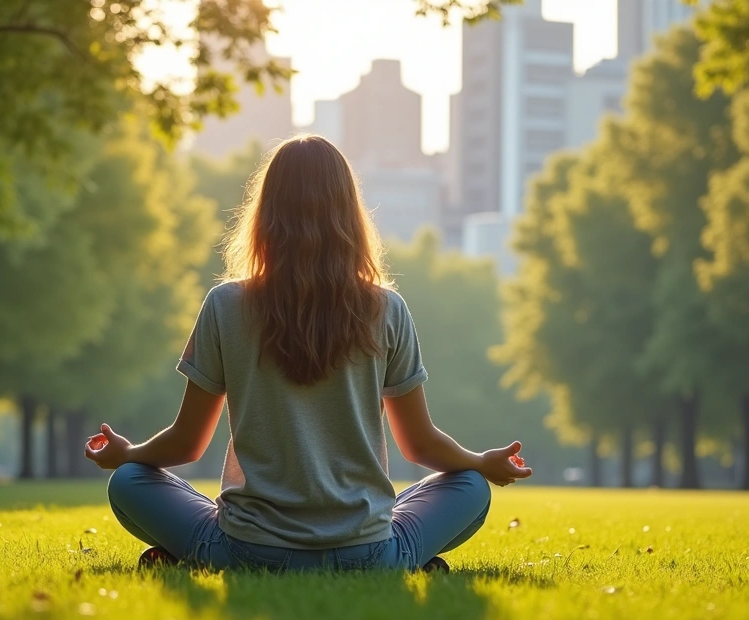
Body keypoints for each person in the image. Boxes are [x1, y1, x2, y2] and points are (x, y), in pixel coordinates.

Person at [84, 134, 532, 571]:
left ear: (265, 213)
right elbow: (418, 444)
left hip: (248, 550)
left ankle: (199, 552)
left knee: (130, 482)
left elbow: (187, 442)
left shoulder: (225, 306)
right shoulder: (387, 309)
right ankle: (403, 561)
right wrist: (480, 462)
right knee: (471, 486)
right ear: (349, 213)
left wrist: (127, 455)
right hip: (367, 553)